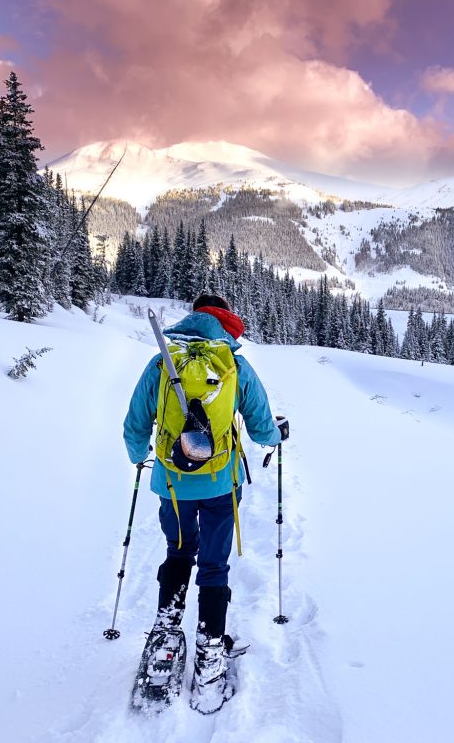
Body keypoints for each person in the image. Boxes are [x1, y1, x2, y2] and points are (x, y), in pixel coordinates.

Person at [123, 293, 287, 707]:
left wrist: (140, 455)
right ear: (224, 319)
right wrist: (276, 437)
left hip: (172, 483)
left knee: (178, 551)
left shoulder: (163, 359)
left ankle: (164, 636)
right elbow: (260, 423)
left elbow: (135, 423)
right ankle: (210, 646)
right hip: (219, 484)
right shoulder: (232, 363)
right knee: (214, 563)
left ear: (191, 315)